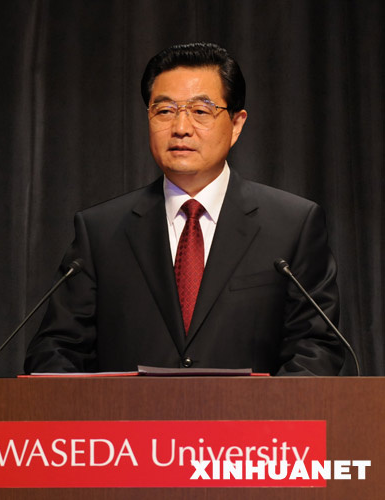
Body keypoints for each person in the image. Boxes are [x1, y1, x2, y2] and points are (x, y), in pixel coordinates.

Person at [24, 42, 345, 376]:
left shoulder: (292, 225)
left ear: (236, 124)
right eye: (164, 111)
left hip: (251, 412)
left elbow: (317, 347)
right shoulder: (101, 231)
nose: (180, 127)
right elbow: (56, 349)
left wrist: (263, 411)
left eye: (201, 111)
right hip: (129, 412)